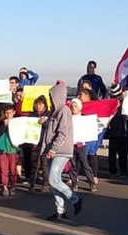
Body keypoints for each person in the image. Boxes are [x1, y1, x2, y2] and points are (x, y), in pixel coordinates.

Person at [42, 83, 82, 221]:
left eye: (51, 96)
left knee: (53, 180)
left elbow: (63, 132)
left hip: (61, 151)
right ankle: (60, 210)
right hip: (50, 150)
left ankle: (75, 199)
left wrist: (54, 148)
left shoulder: (64, 111)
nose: (50, 99)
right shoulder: (54, 112)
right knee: (55, 181)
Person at [68, 98, 96, 192]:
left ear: (79, 107)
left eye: (75, 106)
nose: (73, 108)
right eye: (72, 106)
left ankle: (91, 182)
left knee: (84, 163)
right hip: (71, 144)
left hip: (81, 144)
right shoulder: (68, 118)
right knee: (73, 165)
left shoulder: (84, 118)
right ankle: (74, 182)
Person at [107, 84, 128, 178]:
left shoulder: (110, 101)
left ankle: (113, 170)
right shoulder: (120, 102)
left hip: (114, 129)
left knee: (113, 152)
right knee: (122, 152)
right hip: (120, 129)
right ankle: (123, 170)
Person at [28, 95, 51, 192]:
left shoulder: (49, 115)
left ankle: (45, 184)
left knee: (45, 164)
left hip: (45, 142)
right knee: (35, 164)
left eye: (40, 104)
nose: (38, 106)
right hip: (35, 143)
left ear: (45, 105)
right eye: (36, 104)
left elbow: (51, 127)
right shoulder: (31, 116)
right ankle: (32, 184)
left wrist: (44, 123)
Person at [0, 105, 20, 196]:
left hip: (13, 148)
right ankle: (5, 186)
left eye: (10, 113)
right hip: (3, 149)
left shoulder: (17, 122)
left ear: (14, 112)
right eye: (6, 113)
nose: (8, 115)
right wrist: (4, 125)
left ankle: (13, 185)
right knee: (4, 169)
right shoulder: (1, 123)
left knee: (12, 169)